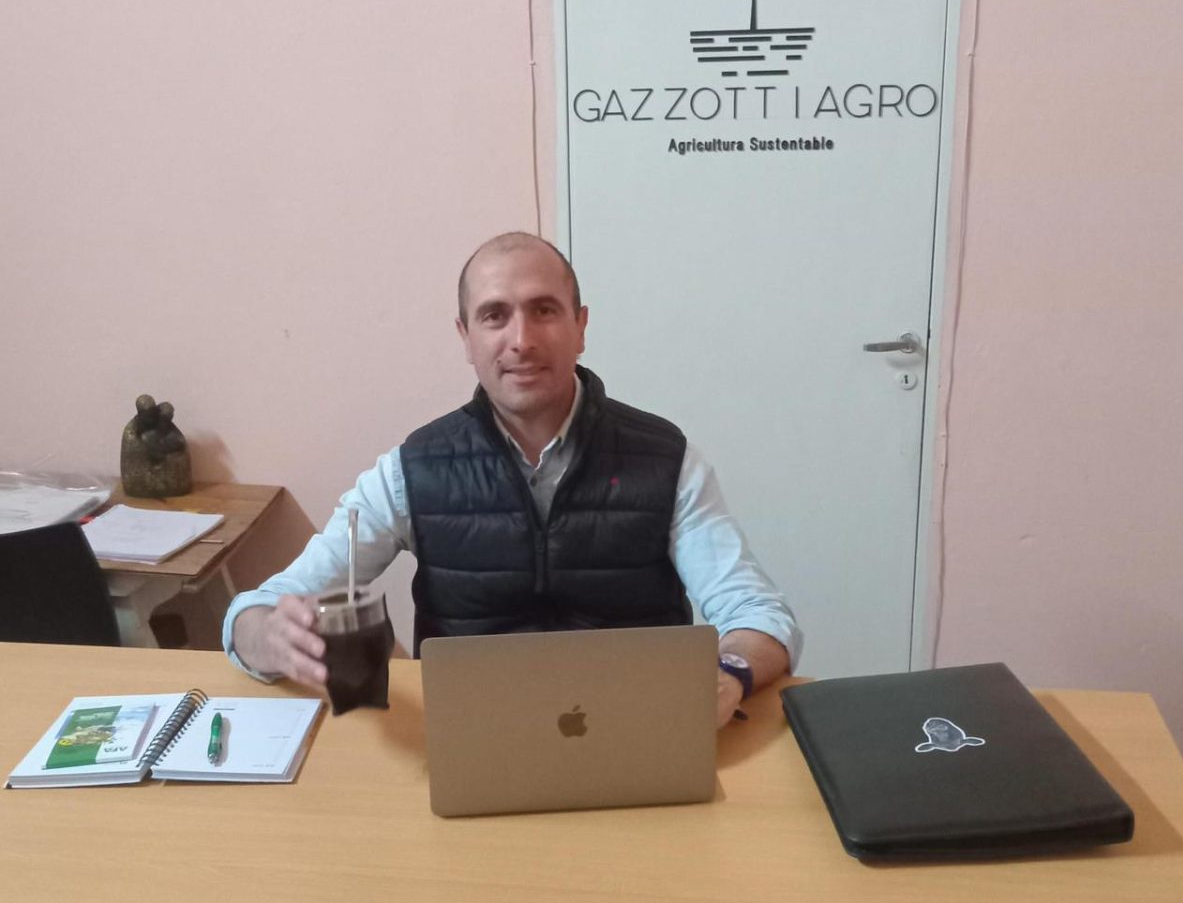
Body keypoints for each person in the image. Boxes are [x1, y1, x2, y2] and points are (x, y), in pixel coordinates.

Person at [224, 232, 801, 726]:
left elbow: (761, 617)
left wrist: (727, 673)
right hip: (468, 740)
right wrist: (271, 637)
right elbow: (256, 609)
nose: (521, 340)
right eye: (494, 315)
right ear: (466, 337)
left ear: (580, 326)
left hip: (638, 730)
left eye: (544, 310)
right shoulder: (410, 470)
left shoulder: (666, 460)